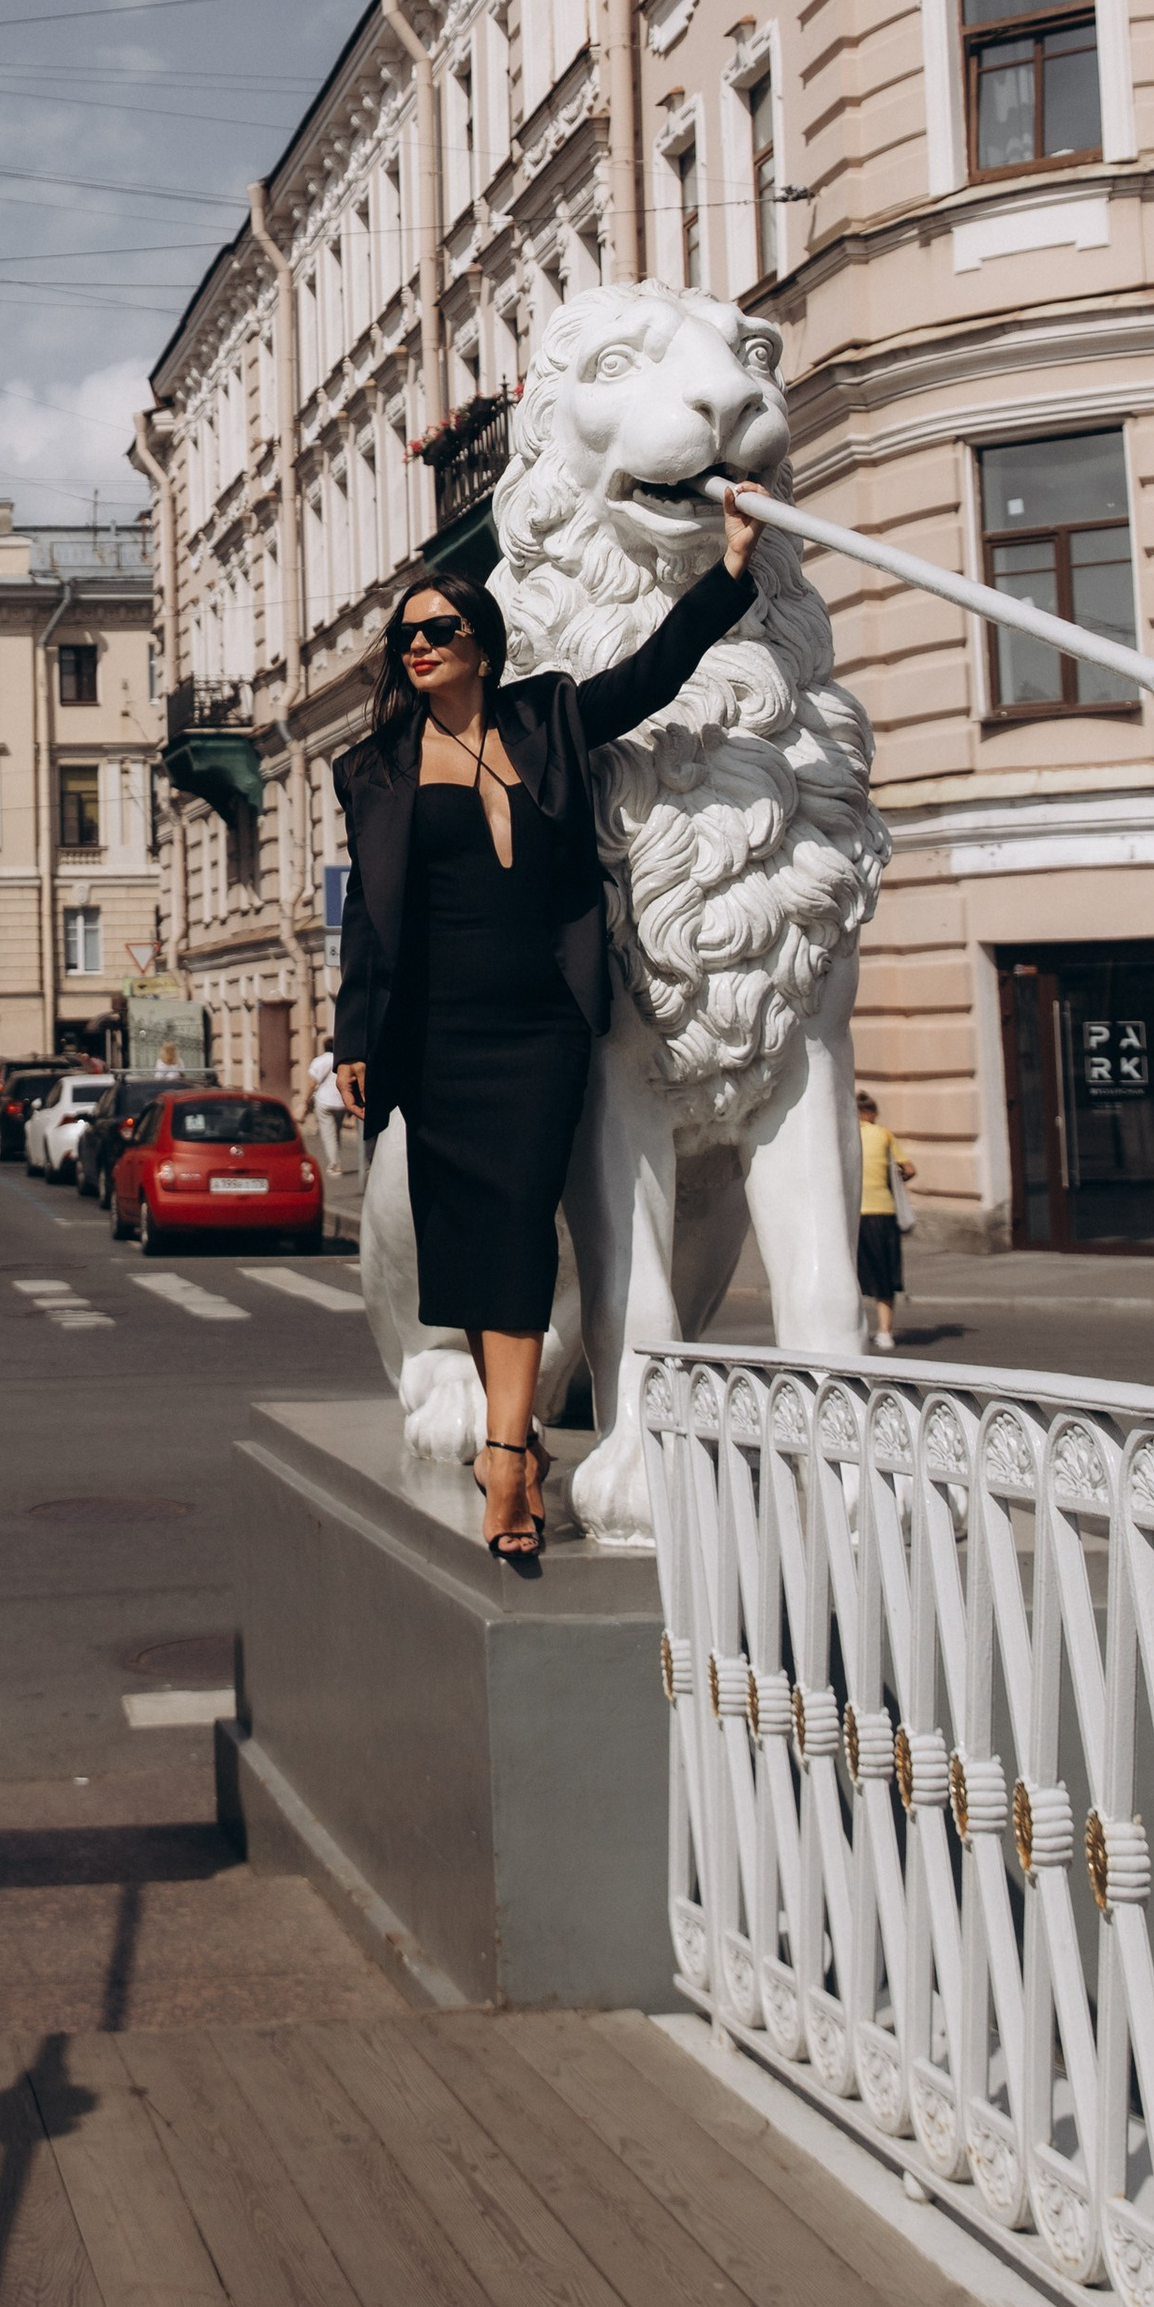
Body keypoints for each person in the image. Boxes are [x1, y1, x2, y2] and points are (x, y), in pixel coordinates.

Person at [332, 493, 764, 1569]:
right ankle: (508, 1446)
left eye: (438, 630)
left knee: (522, 1227)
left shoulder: (547, 719)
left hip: (538, 1024)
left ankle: (508, 1453)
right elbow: (367, 924)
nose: (419, 647)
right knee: (467, 1239)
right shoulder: (372, 768)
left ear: (482, 642)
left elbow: (656, 673)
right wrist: (353, 1038)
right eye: (406, 637)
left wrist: (732, 571)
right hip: (433, 1034)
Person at [856, 1090, 915, 1350]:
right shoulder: (884, 1134)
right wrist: (894, 1182)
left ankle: (854, 1328)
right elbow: (910, 1169)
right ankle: (885, 1331)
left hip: (853, 1213)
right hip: (883, 1212)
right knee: (884, 1274)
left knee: (853, 1274)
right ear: (874, 1113)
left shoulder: (845, 1134)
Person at [308, 1044, 346, 1175]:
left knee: (329, 1135)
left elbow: (313, 1083)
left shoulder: (320, 1060)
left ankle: (335, 1165)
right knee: (336, 1132)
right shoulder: (343, 1060)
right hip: (341, 1101)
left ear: (323, 1047)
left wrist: (305, 1100)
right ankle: (335, 1156)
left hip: (324, 1101)